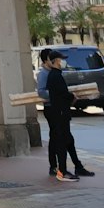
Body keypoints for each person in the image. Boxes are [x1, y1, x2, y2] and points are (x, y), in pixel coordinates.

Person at [37, 50, 94, 179]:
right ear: (50, 60)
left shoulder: (55, 74)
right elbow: (51, 93)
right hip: (55, 111)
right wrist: (69, 96)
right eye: (60, 59)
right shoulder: (49, 75)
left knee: (66, 139)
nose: (63, 62)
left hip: (59, 110)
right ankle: (59, 168)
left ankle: (75, 167)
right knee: (59, 140)